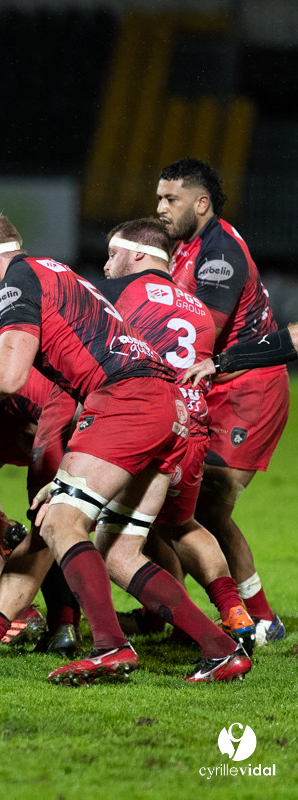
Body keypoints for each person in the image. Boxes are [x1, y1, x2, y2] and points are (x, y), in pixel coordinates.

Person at [0, 209, 249, 684]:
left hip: (124, 400)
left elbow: (8, 377)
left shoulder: (16, 281)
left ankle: (111, 647)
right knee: (118, 552)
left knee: (59, 522)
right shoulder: (54, 270)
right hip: (165, 404)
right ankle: (221, 648)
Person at [100, 218, 255, 650]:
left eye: (113, 255)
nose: (107, 265)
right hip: (192, 425)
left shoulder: (119, 294)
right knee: (179, 525)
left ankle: (99, 629)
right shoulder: (197, 307)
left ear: (137, 255)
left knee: (97, 533)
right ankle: (232, 609)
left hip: (143, 423)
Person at [156, 158, 288, 644]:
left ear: (201, 203)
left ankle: (261, 618)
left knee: (207, 502)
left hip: (249, 387)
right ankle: (173, 613)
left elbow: (201, 331)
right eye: (160, 198)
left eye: (171, 199)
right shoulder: (184, 246)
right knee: (173, 496)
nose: (161, 208)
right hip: (213, 384)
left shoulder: (218, 253)